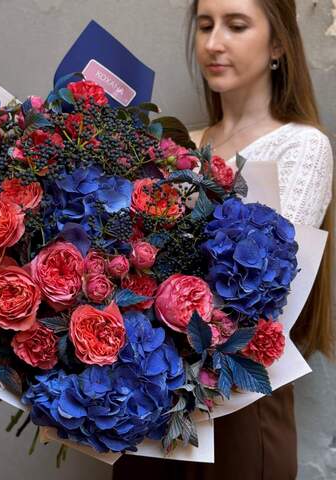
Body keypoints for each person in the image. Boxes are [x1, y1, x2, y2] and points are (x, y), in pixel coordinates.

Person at [112, 0, 334, 478]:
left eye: (236, 26)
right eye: (206, 25)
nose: (213, 43)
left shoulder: (301, 146)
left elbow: (270, 297)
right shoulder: (175, 145)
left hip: (240, 406)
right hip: (151, 400)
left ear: (277, 43)